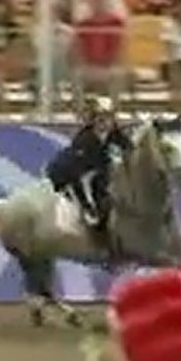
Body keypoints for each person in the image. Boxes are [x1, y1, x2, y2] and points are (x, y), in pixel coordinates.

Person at [45, 96, 131, 259]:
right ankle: (100, 245)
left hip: (95, 175)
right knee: (97, 208)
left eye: (108, 118)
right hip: (67, 176)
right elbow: (79, 177)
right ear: (93, 120)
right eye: (100, 118)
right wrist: (87, 205)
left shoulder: (115, 135)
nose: (104, 123)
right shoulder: (84, 141)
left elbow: (130, 150)